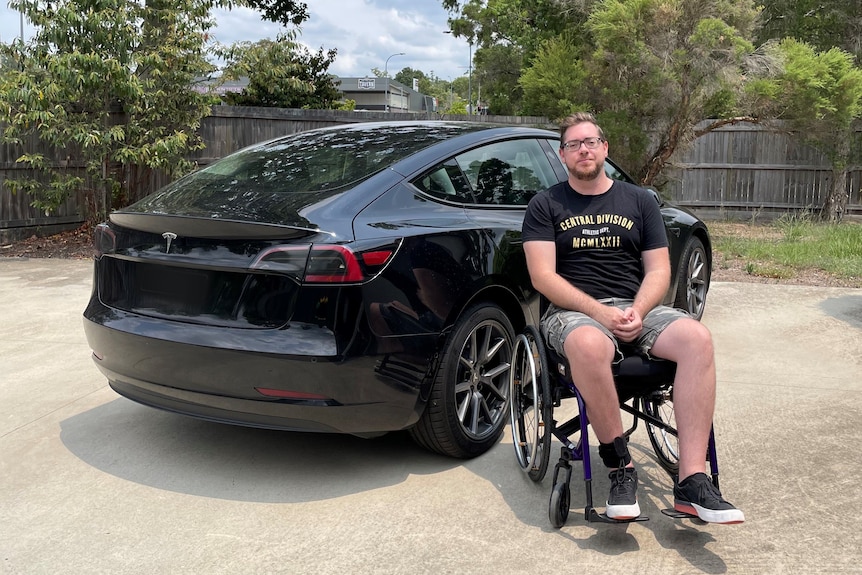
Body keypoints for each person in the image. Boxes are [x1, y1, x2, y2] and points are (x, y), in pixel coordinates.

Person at [521, 112, 744, 524]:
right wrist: (599, 312)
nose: (583, 149)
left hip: (637, 306)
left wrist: (637, 311)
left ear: (605, 148)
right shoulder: (545, 204)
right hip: (573, 314)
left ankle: (692, 481)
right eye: (574, 144)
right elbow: (543, 276)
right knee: (589, 344)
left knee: (697, 338)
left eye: (591, 142)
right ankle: (619, 465)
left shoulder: (639, 200)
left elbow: (659, 271)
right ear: (562, 155)